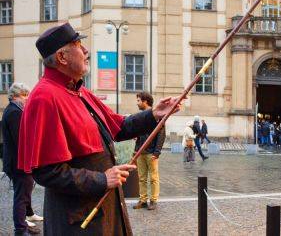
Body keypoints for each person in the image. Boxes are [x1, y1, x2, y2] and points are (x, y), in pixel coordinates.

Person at [17, 23, 181, 235]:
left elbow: (118, 126)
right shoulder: (44, 97)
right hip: (77, 220)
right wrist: (102, 179)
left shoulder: (81, 91)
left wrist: (153, 114)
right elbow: (47, 172)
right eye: (78, 44)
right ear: (62, 57)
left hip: (103, 211)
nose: (86, 51)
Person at [2, 83, 42, 235]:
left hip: (17, 162)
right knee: (21, 196)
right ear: (14, 96)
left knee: (24, 193)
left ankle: (26, 221)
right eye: (23, 95)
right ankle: (20, 229)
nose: (27, 98)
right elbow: (21, 139)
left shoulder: (15, 110)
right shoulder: (14, 112)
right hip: (18, 163)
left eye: (27, 95)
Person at [133, 92, 166, 211]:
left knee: (153, 178)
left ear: (145, 101)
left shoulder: (157, 115)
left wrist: (157, 152)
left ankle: (153, 200)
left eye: (138, 101)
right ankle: (143, 200)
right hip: (141, 152)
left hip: (151, 152)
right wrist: (136, 150)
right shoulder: (141, 116)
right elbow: (138, 133)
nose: (137, 103)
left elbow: (161, 135)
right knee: (141, 178)